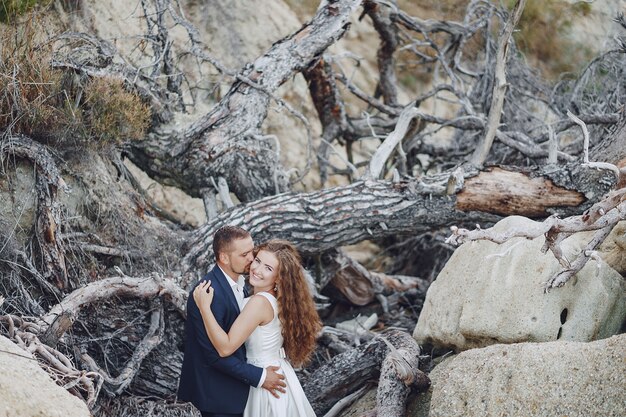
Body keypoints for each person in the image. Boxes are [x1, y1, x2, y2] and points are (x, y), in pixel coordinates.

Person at [193, 239, 322, 417]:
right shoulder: (277, 299)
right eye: (258, 261)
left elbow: (225, 348)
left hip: (264, 378)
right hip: (277, 369)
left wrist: (204, 308)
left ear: (278, 278)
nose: (257, 269)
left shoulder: (259, 302)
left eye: (268, 268)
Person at [178, 226, 287, 417]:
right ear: (224, 258)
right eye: (244, 254)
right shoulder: (208, 293)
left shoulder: (245, 284)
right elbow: (214, 355)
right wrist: (260, 376)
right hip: (219, 396)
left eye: (252, 252)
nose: (252, 260)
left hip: (242, 391)